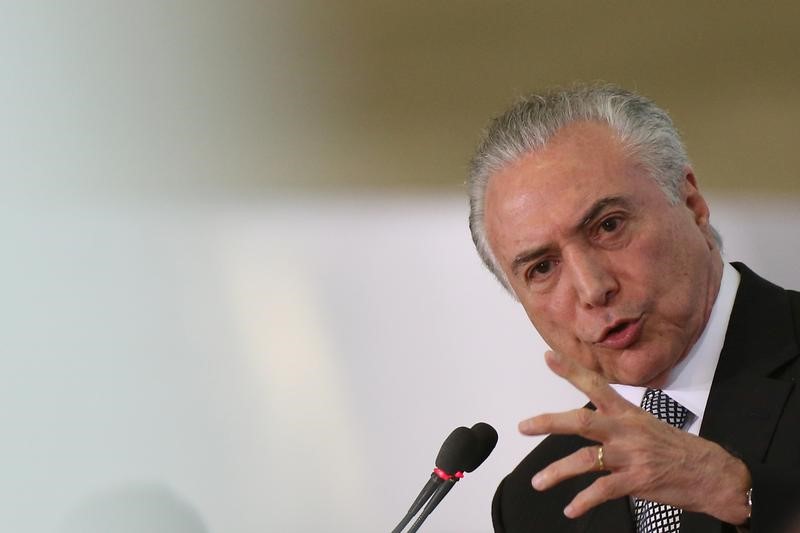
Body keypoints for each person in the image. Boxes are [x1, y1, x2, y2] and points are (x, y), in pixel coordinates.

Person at [467, 85, 800, 532]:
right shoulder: (534, 502)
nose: (592, 288)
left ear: (692, 205)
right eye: (542, 267)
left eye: (608, 226)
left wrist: (738, 491)